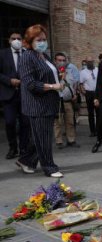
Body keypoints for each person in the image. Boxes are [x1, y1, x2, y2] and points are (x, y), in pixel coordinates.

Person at [17, 24, 64, 178]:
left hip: (49, 102)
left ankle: (26, 160)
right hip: (38, 105)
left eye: (44, 39)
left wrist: (59, 82)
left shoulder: (44, 55)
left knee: (40, 136)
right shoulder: (27, 57)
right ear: (30, 41)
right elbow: (30, 84)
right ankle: (49, 167)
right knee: (44, 137)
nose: (43, 42)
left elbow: (49, 74)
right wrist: (53, 86)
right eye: (39, 40)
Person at [0, 31, 30, 159]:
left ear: (22, 40)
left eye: (19, 38)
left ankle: (23, 148)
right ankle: (13, 147)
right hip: (8, 95)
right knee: (10, 122)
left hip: (25, 95)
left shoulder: (27, 54)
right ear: (9, 40)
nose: (16, 40)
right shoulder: (2, 54)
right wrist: (9, 81)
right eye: (14, 38)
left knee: (25, 123)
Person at [53, 52, 80, 149]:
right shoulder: (52, 72)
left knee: (70, 121)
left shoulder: (70, 70)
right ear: (55, 61)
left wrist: (75, 94)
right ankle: (59, 141)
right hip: (57, 101)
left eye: (64, 60)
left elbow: (74, 83)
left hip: (68, 101)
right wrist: (60, 76)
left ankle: (71, 140)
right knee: (58, 122)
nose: (62, 62)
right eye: (59, 60)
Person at [80, 56, 99, 137]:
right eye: (88, 62)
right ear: (86, 62)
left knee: (98, 112)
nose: (90, 63)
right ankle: (92, 131)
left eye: (91, 61)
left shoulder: (98, 70)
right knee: (90, 113)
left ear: (93, 61)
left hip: (97, 93)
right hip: (89, 93)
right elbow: (81, 83)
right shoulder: (83, 72)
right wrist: (83, 91)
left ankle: (98, 130)